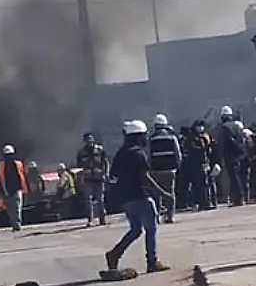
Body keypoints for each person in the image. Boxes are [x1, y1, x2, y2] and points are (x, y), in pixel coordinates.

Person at [105, 120, 169, 273]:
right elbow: (145, 177)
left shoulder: (121, 153)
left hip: (126, 199)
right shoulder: (138, 154)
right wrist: (163, 193)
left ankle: (115, 253)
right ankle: (152, 262)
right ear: (138, 136)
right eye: (144, 135)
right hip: (140, 197)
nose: (146, 138)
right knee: (151, 228)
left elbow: (113, 176)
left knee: (135, 230)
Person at [149, 113, 182, 223]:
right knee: (170, 193)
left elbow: (148, 156)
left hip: (156, 170)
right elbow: (178, 154)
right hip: (170, 170)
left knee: (156, 194)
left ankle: (156, 216)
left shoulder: (152, 139)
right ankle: (170, 216)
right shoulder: (172, 137)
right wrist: (177, 166)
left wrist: (150, 169)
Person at [76, 132, 109, 227]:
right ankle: (90, 219)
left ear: (93, 139)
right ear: (84, 141)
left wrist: (106, 173)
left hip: (99, 177)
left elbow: (105, 162)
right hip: (87, 178)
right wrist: (80, 178)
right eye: (87, 139)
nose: (89, 140)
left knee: (100, 199)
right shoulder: (81, 152)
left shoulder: (100, 150)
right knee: (88, 199)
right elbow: (79, 167)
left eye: (90, 138)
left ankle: (102, 219)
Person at [216, 106, 247, 206]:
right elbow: (242, 139)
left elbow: (222, 143)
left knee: (233, 178)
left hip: (229, 155)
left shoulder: (223, 127)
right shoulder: (238, 125)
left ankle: (237, 199)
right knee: (240, 176)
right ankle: (242, 197)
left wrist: (220, 156)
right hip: (240, 154)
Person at [0, 144, 27, 232]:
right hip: (16, 189)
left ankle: (15, 224)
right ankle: (16, 224)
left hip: (9, 189)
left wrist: (4, 190)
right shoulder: (18, 163)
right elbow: (22, 176)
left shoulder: (1, 164)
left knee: (11, 208)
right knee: (17, 207)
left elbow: (1, 178)